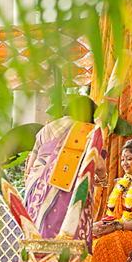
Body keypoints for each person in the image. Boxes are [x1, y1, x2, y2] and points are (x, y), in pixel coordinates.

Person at [24, 96, 107, 243]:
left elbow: (30, 166)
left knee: (35, 241)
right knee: (63, 244)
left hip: (35, 191)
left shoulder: (46, 129)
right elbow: (99, 166)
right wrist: (102, 178)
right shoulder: (88, 130)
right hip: (64, 190)